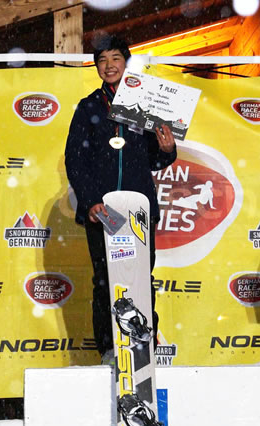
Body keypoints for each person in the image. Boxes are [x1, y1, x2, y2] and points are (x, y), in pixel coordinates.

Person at [64, 36, 177, 364]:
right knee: (105, 281)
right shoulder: (88, 107)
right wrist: (90, 202)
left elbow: (154, 159)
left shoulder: (147, 103)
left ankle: (144, 346)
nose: (109, 65)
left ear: (126, 63)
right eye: (102, 59)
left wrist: (168, 149)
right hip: (102, 212)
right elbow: (75, 159)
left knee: (141, 279)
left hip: (139, 210)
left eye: (115, 58)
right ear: (97, 66)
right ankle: (109, 350)